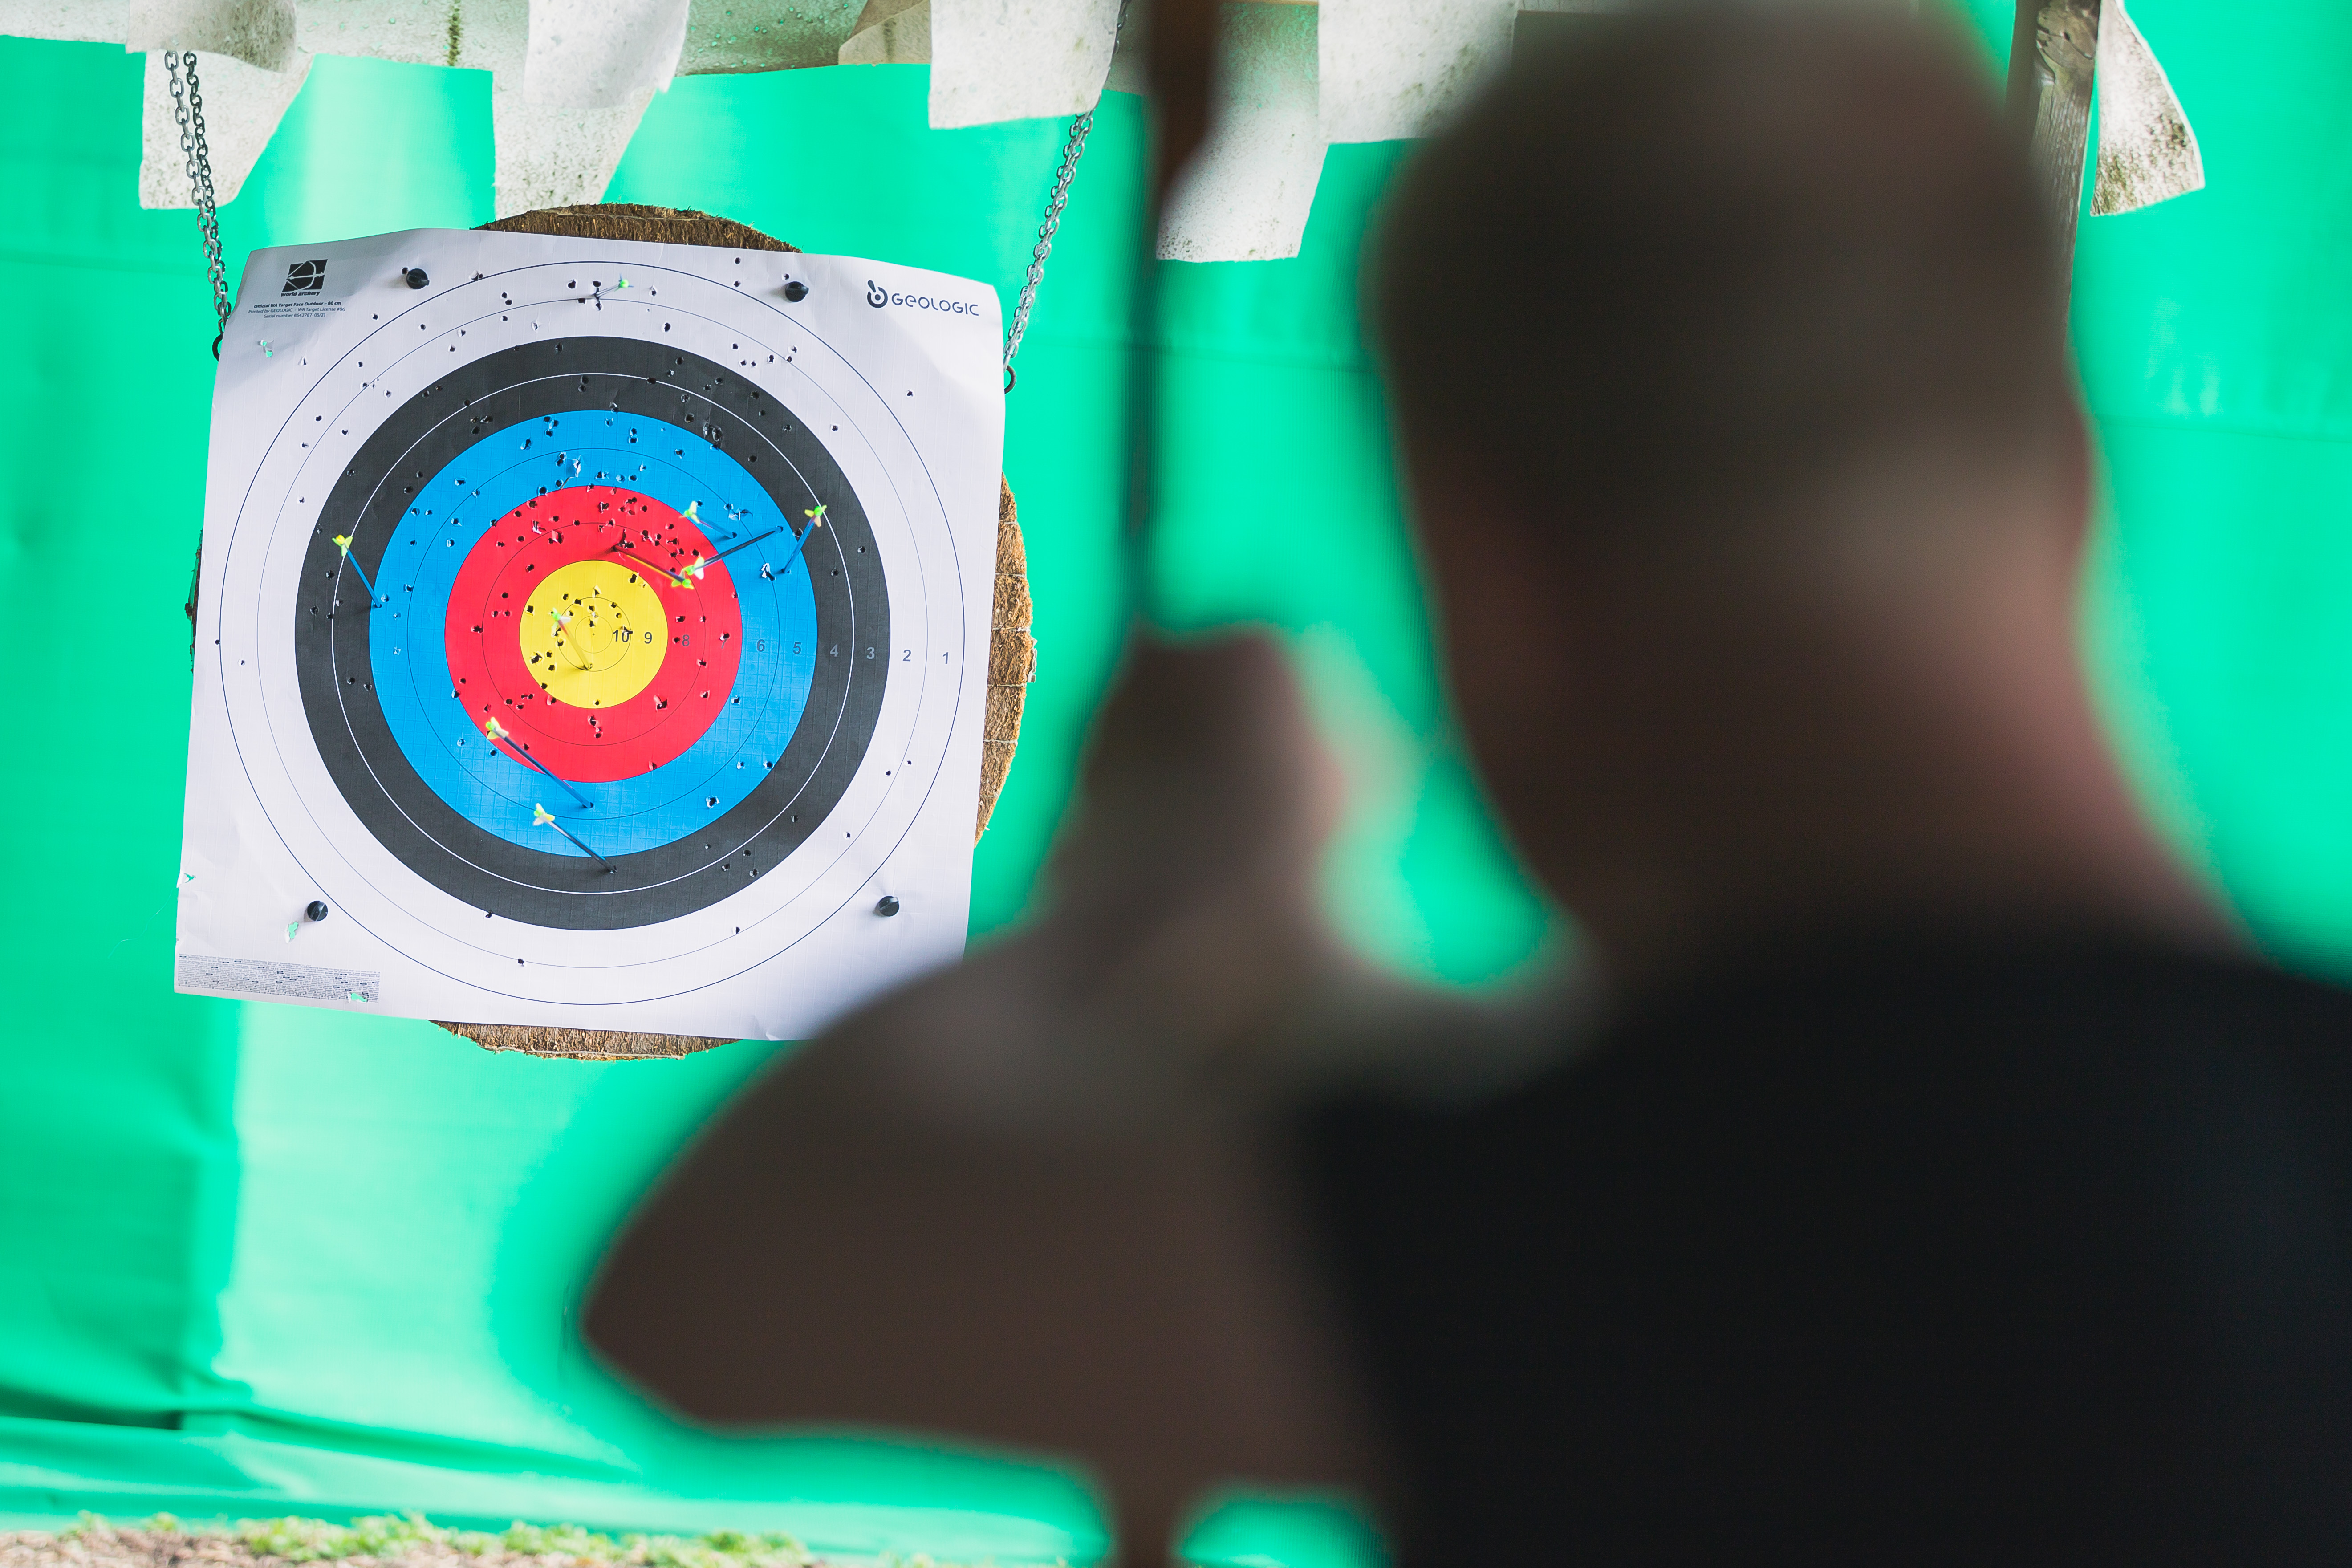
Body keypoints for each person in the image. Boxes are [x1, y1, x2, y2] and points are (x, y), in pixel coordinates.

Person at [590, 4, 2352, 1563]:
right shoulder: (2213, 1132)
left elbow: (714, 1279)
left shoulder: (1651, 1228)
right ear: (2064, 457)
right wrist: (1297, 965)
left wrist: (1174, 874)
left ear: (1491, 584)